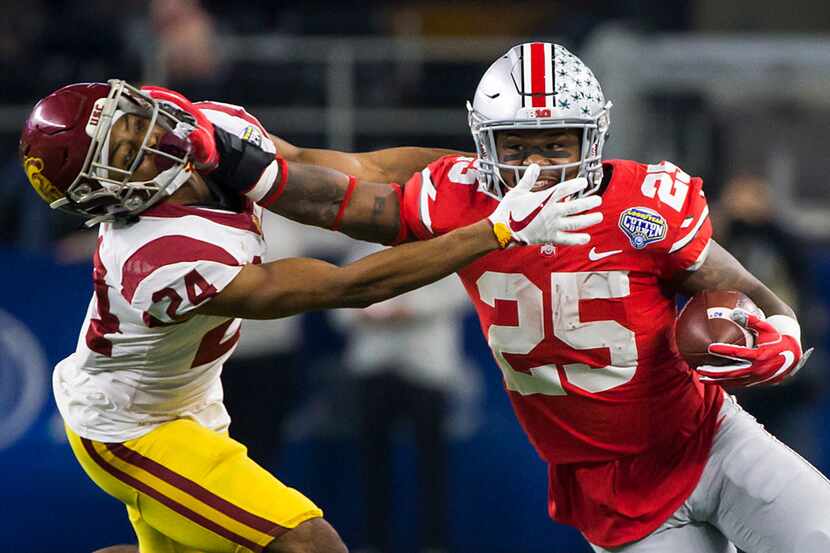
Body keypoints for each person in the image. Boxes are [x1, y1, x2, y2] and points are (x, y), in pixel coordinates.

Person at [215, 43, 828, 553]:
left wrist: (782, 336)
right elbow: (331, 196)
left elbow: (751, 293)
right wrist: (231, 159)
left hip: (710, 439)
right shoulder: (460, 201)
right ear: (486, 143)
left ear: (592, 139)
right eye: (516, 146)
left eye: (556, 145)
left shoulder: (644, 204)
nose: (536, 165)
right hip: (611, 492)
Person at [19, 79, 601, 553]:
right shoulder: (153, 257)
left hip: (189, 402)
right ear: (106, 197)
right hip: (133, 428)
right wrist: (494, 229)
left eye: (131, 123)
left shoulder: (204, 125)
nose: (149, 141)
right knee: (309, 544)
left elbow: (358, 169)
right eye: (124, 155)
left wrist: (493, 175)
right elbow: (349, 286)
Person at [332, 242, 470, 553]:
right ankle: (374, 542)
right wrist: (375, 313)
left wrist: (411, 309)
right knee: (373, 461)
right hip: (373, 370)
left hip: (428, 370)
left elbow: (461, 293)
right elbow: (337, 306)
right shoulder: (362, 251)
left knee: (432, 464)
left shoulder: (440, 248)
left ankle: (434, 544)